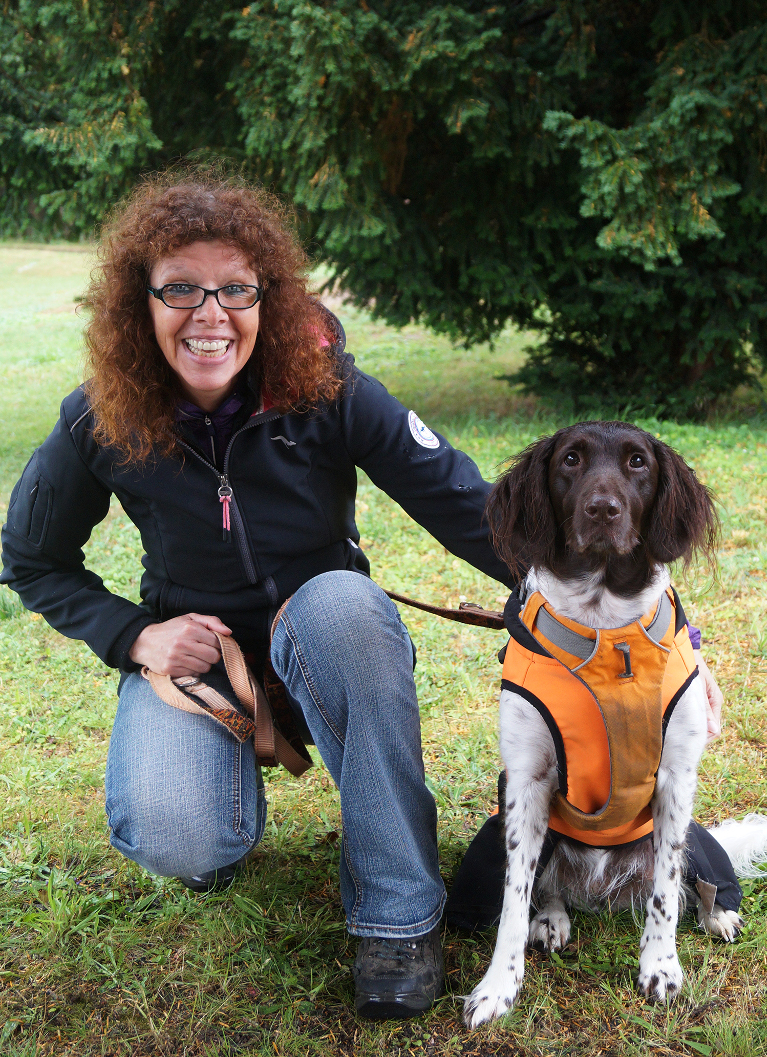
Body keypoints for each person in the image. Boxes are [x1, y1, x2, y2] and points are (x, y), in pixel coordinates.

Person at [0, 172, 724, 1020]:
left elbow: (472, 510)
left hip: (331, 643)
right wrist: (134, 636)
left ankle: (397, 916)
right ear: (140, 302)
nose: (210, 314)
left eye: (236, 288)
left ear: (267, 295)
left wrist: (673, 644)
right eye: (181, 289)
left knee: (342, 605)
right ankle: (222, 795)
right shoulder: (100, 418)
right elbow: (31, 557)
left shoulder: (325, 388)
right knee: (182, 838)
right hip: (207, 670)